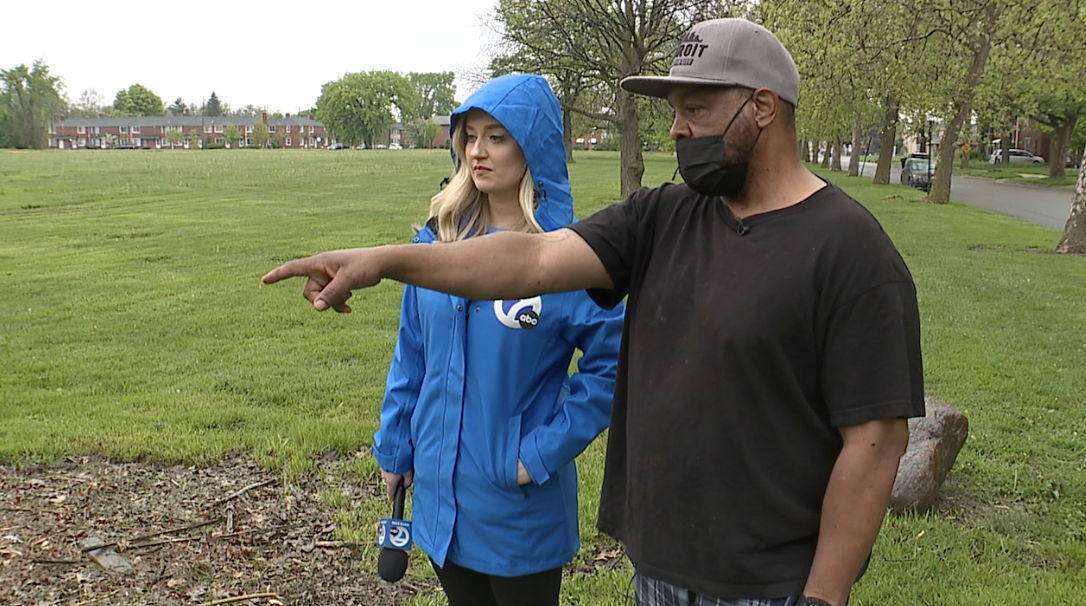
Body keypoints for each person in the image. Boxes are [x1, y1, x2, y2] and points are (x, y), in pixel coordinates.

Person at [263, 18, 924, 606]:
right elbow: (531, 263)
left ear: (762, 108)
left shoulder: (850, 251)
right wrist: (384, 260)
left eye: (695, 107)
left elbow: (875, 443)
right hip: (661, 566)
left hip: (771, 582)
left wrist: (823, 594)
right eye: (673, 109)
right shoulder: (663, 216)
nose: (676, 128)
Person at [371, 73, 622, 606]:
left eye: (496, 137)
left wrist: (538, 453)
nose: (476, 151)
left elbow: (613, 360)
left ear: (532, 144)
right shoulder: (436, 239)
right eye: (469, 136)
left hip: (516, 509)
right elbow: (411, 351)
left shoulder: (566, 255)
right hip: (441, 500)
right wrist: (395, 445)